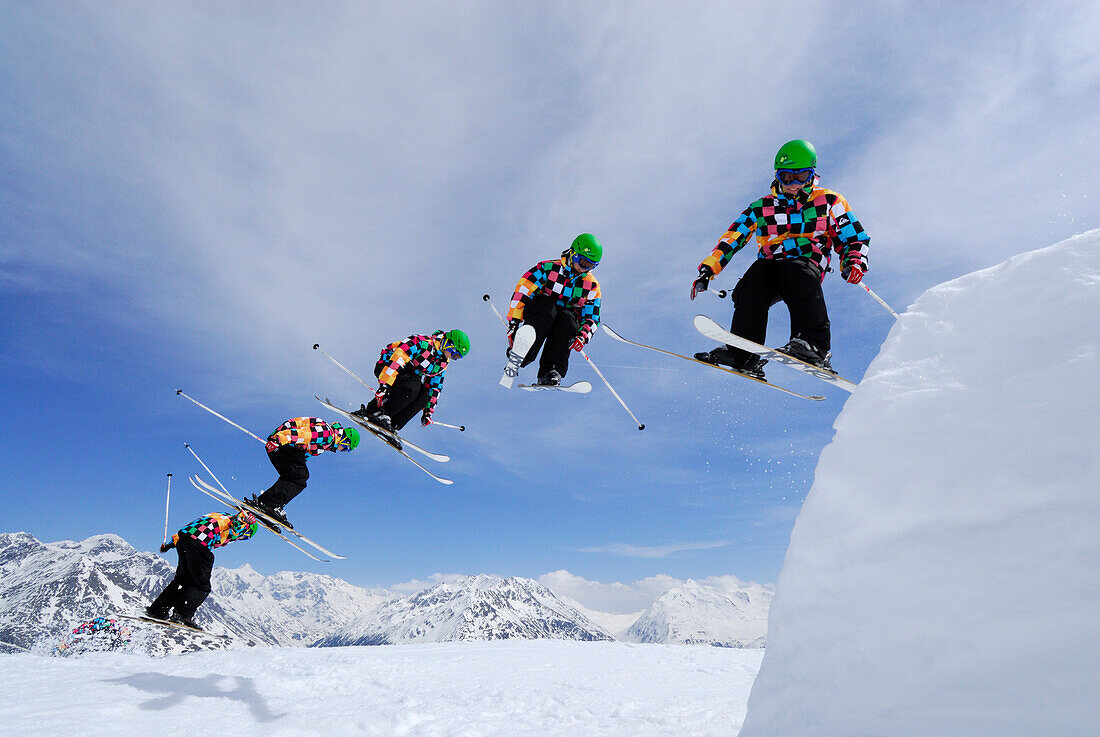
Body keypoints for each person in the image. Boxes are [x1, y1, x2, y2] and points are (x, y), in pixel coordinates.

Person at [690, 139, 870, 379]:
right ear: (778, 176)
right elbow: (733, 238)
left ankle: (812, 345)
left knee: (797, 272)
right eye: (787, 178)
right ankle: (742, 353)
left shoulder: (828, 201)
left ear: (812, 175)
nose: (794, 184)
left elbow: (853, 237)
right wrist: (708, 270)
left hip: (806, 260)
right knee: (752, 284)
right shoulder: (762, 207)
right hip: (770, 264)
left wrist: (854, 262)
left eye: (801, 176)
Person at [505, 233, 603, 386]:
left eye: (591, 266)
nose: (585, 269)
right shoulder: (548, 269)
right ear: (574, 254)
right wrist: (514, 324)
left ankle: (551, 371)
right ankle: (522, 352)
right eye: (584, 262)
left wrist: (582, 336)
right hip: (541, 310)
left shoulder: (591, 286)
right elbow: (522, 293)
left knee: (568, 320)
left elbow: (592, 316)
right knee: (548, 308)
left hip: (563, 318)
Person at [146, 509, 258, 630]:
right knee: (201, 585)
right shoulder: (238, 523)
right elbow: (239, 522)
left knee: (182, 581)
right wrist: (248, 521)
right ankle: (182, 616)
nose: (240, 539)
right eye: (245, 537)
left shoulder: (218, 516)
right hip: (200, 543)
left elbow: (192, 529)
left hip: (184, 539)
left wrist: (170, 544)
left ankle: (157, 610)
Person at [353, 329, 470, 439]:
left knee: (424, 396)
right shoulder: (423, 343)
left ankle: (392, 425)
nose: (451, 357)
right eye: (453, 353)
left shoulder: (442, 363)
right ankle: (377, 412)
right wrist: (385, 383)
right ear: (448, 343)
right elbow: (399, 357)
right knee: (413, 387)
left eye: (456, 357)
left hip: (409, 376)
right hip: (389, 365)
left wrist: (428, 412)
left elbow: (435, 386)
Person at [246, 418, 360, 529]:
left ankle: (267, 504)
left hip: (288, 446)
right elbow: (303, 434)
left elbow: (305, 453)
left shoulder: (327, 442)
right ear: (345, 439)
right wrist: (279, 439)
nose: (343, 451)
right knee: (300, 477)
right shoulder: (327, 434)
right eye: (346, 448)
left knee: (297, 476)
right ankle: (269, 504)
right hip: (282, 443)